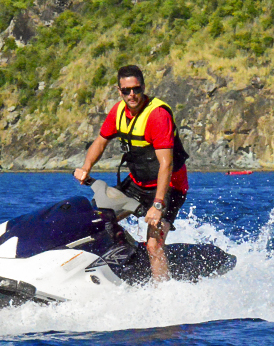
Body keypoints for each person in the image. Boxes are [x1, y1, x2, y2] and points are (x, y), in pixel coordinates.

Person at [74, 65, 189, 282]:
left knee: (154, 244)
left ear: (143, 87)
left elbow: (166, 164)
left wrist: (157, 205)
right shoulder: (118, 111)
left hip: (168, 188)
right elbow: (100, 142)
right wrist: (86, 168)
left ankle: (162, 296)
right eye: (126, 90)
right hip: (137, 184)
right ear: (119, 91)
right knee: (94, 220)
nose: (132, 95)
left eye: (136, 89)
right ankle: (120, 261)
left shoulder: (157, 116)